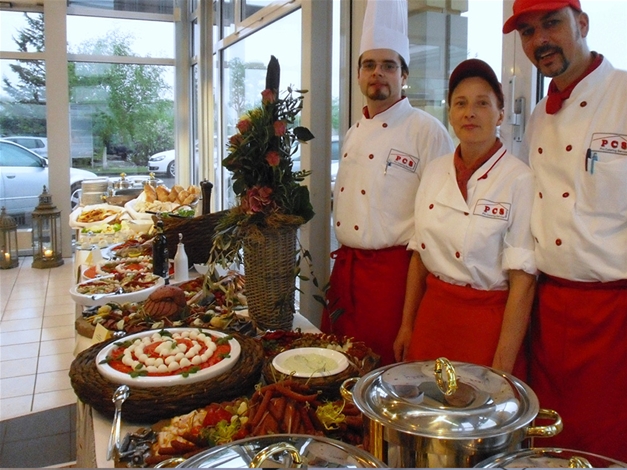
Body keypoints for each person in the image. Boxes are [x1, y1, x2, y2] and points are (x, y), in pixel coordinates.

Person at [503, 0, 627, 461]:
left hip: (614, 318)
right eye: (528, 32)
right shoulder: (537, 117)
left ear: (583, 24)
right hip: (549, 313)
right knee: (553, 443)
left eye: (551, 24)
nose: (540, 41)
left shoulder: (625, 95)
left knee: (606, 447)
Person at [320, 0, 454, 366]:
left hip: (394, 282)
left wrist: (413, 315)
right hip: (346, 276)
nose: (378, 73)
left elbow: (438, 223)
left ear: (403, 75)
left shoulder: (427, 131)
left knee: (386, 377)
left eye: (389, 66)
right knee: (338, 371)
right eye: (369, 65)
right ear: (359, 74)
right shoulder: (352, 133)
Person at [392, 59, 536, 374]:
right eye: (461, 103)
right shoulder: (434, 170)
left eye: (482, 103)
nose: (470, 112)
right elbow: (419, 255)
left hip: (486, 327)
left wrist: (502, 368)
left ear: (500, 113)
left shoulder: (520, 179)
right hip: (432, 319)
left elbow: (522, 282)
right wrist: (407, 325)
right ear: (450, 113)